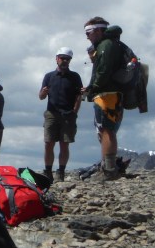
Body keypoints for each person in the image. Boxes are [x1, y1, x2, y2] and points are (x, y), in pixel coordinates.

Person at [83, 16, 127, 180]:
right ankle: (109, 166)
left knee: (106, 130)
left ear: (100, 30)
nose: (87, 36)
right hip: (111, 93)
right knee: (106, 129)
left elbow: (103, 72)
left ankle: (109, 170)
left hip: (107, 94)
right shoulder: (112, 44)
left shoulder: (106, 46)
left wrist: (92, 87)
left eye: (89, 32)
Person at [38, 47, 83, 182]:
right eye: (62, 58)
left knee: (64, 144)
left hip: (68, 114)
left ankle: (61, 172)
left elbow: (79, 96)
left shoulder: (75, 77)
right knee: (48, 143)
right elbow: (41, 96)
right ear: (57, 59)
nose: (64, 61)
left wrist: (74, 112)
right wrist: (44, 92)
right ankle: (48, 171)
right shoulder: (49, 76)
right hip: (51, 113)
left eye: (67, 59)